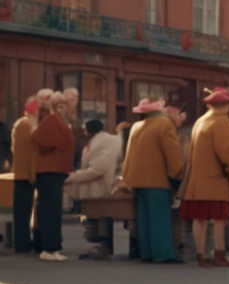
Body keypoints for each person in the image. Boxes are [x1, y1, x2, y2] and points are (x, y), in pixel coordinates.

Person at [179, 88, 229, 268]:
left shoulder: (200, 121)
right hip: (215, 179)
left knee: (199, 218)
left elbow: (190, 152)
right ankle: (219, 254)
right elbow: (226, 151)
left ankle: (201, 256)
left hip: (197, 180)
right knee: (220, 218)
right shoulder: (222, 122)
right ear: (226, 105)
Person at [121, 98, 184, 263]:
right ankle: (163, 254)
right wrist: (177, 175)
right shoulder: (164, 124)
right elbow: (172, 155)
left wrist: (127, 177)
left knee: (144, 217)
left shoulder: (136, 126)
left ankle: (147, 253)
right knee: (160, 218)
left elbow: (129, 155)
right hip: (158, 180)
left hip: (138, 180)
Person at [65, 119, 123, 260]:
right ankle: (103, 246)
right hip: (98, 188)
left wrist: (72, 178)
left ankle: (104, 246)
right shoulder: (104, 141)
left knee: (99, 218)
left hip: (98, 189)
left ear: (88, 131)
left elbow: (98, 169)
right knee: (98, 219)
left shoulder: (102, 142)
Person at [30, 91, 75, 261]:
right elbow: (36, 138)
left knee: (49, 210)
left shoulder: (58, 120)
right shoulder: (52, 119)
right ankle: (49, 248)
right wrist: (53, 146)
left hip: (53, 171)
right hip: (50, 171)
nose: (65, 108)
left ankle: (45, 246)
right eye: (61, 105)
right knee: (51, 211)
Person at [10, 96, 39, 253]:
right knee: (24, 211)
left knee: (21, 212)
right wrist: (34, 174)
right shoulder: (28, 124)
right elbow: (32, 153)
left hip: (20, 173)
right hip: (26, 174)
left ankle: (22, 243)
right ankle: (23, 245)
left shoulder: (20, 123)